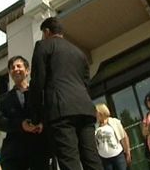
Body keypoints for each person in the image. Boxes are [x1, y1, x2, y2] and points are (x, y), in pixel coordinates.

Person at [29, 17, 103, 170]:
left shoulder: (43, 46)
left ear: (46, 32)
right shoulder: (79, 52)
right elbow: (86, 83)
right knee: (92, 160)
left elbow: (38, 81)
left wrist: (35, 116)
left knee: (70, 161)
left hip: (61, 111)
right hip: (85, 109)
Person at [0, 56, 52, 170]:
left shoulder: (40, 93)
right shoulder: (4, 99)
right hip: (14, 154)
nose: (15, 69)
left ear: (27, 70)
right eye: (12, 67)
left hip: (39, 148)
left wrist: (42, 124)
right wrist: (21, 125)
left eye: (18, 66)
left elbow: (49, 111)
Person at [95, 103, 131, 170]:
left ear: (101, 112)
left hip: (117, 156)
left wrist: (127, 152)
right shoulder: (96, 126)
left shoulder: (114, 122)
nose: (95, 114)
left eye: (96, 112)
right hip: (104, 158)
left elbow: (124, 137)